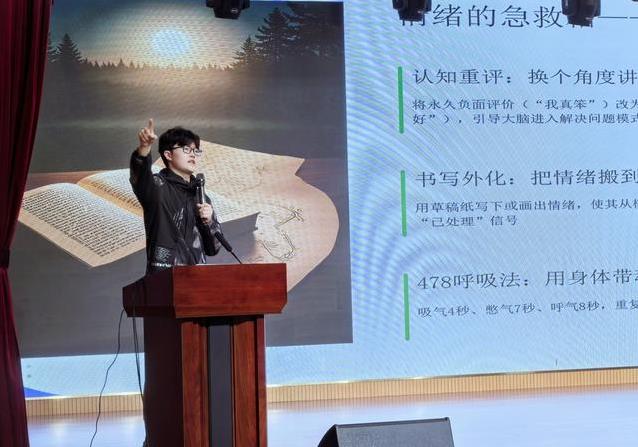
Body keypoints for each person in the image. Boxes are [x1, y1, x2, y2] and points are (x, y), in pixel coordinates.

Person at [130, 119, 220, 273]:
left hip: (198, 277)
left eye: (196, 151)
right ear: (168, 154)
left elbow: (213, 249)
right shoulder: (157, 186)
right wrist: (144, 148)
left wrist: (210, 222)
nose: (193, 154)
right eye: (186, 149)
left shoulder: (201, 196)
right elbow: (140, 176)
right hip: (164, 274)